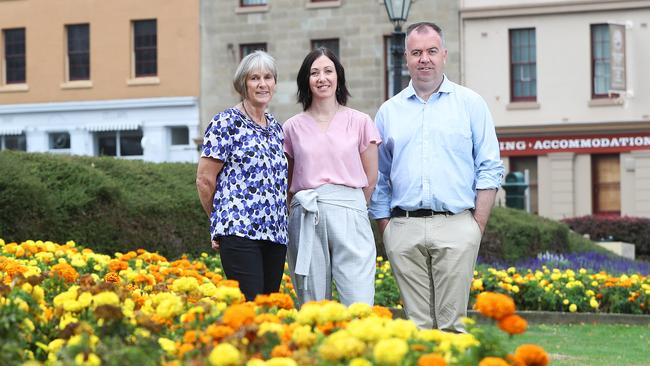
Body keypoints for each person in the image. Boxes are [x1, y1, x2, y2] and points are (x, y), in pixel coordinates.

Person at [369, 22, 504, 332]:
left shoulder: (470, 104)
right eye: (416, 52)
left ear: (444, 54)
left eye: (431, 51)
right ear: (406, 58)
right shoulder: (389, 112)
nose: (424, 59)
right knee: (416, 328)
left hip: (456, 225)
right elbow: (381, 176)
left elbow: (489, 166)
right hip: (403, 228)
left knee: (453, 327)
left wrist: (476, 226)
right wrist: (387, 228)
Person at [283, 47, 380, 307]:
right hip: (306, 215)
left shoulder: (360, 121)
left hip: (350, 209)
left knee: (358, 299)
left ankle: (358, 347)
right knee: (313, 303)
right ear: (306, 80)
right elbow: (288, 181)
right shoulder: (291, 127)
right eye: (314, 72)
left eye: (328, 71)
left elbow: (371, 177)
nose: (322, 78)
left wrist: (354, 207)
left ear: (338, 77)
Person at [196, 50, 288, 302]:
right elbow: (205, 179)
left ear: (275, 84)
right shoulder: (226, 123)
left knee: (268, 308)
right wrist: (218, 221)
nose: (262, 84)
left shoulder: (276, 128)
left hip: (275, 234)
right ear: (243, 84)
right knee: (250, 307)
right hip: (239, 232)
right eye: (254, 78)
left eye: (268, 77)